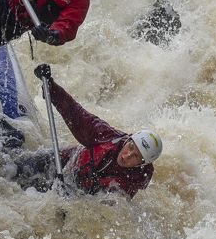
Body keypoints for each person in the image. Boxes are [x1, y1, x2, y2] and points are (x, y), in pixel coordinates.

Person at [10, 64, 163, 198]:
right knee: (17, 167)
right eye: (130, 147)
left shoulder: (133, 181)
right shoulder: (107, 136)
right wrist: (51, 88)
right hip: (65, 162)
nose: (127, 155)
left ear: (141, 163)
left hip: (76, 190)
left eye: (135, 156)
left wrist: (70, 196)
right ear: (128, 139)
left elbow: (101, 204)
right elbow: (76, 113)